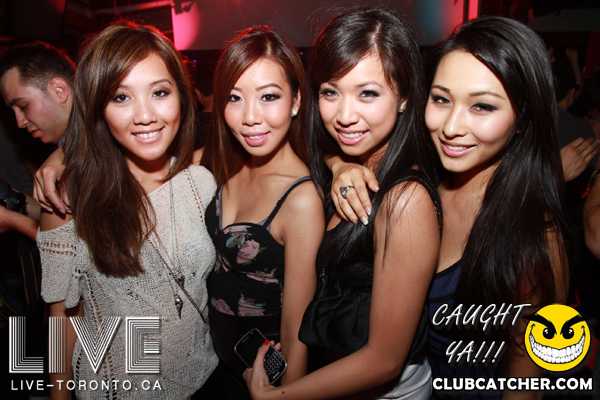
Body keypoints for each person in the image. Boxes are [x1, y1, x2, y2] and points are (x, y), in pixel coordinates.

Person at [328, 16, 570, 399]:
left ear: (523, 120)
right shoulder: (422, 181)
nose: (451, 126)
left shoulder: (532, 241)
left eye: (482, 106)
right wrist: (340, 165)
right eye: (441, 99)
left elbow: (526, 390)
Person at [245, 8, 440, 400]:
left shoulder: (405, 200)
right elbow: (314, 146)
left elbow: (384, 360)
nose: (345, 116)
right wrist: (338, 165)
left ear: (404, 97)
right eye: (331, 92)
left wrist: (277, 398)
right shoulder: (350, 167)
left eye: (368, 93)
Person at [36, 21, 218, 399]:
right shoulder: (68, 200)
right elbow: (61, 322)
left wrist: (339, 166)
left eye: (160, 92)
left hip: (205, 379)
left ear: (182, 96)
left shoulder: (202, 182)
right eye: (121, 97)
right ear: (98, 107)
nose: (145, 115)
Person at [199, 26, 324, 399]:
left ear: (296, 101)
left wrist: (284, 394)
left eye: (269, 96)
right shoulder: (224, 165)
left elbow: (297, 328)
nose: (250, 117)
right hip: (214, 365)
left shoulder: (300, 198)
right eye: (235, 98)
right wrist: (64, 157)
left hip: (261, 381)